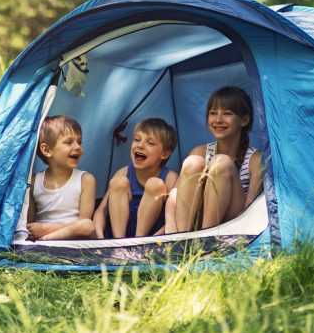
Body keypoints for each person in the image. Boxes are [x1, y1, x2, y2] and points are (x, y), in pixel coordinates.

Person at [165, 86, 263, 234]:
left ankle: (206, 238)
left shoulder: (256, 159)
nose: (218, 120)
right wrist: (169, 230)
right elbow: (175, 196)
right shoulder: (200, 152)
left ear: (244, 120)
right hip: (195, 219)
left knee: (221, 163)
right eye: (213, 113)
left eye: (227, 113)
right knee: (193, 162)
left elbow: (250, 209)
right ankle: (182, 239)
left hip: (235, 220)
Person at [14, 115, 97, 241]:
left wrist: (46, 230)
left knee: (88, 225)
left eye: (79, 142)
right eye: (69, 142)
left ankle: (45, 242)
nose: (77, 147)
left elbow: (84, 223)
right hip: (40, 232)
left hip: (73, 237)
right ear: (46, 150)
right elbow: (29, 224)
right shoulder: (35, 182)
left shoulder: (86, 180)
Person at [92, 118, 179, 239]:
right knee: (118, 183)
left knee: (155, 184)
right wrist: (100, 237)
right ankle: (119, 244)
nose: (140, 145)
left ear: (164, 154)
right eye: (137, 139)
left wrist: (157, 238)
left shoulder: (170, 178)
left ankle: (139, 242)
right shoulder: (123, 172)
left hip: (150, 239)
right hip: (119, 237)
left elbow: (176, 217)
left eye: (150, 143)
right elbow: (101, 210)